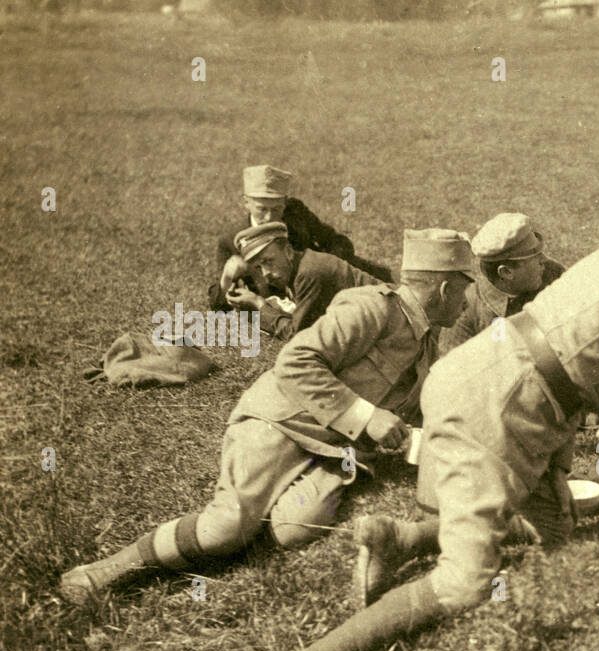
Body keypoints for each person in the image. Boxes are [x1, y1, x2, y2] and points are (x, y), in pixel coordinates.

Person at [247, 195, 599, 651]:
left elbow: (566, 358)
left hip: (499, 384)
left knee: (556, 529)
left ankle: (401, 539)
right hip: (492, 408)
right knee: (464, 584)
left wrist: (557, 469)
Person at [60, 229, 473, 604]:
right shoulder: (373, 309)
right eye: (464, 289)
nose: (466, 301)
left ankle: (258, 511)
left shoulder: (424, 335)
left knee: (297, 529)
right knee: (227, 528)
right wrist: (366, 417)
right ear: (442, 288)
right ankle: (101, 573)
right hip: (279, 420)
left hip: (329, 445)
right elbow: (295, 361)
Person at [207, 165, 392, 312]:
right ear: (246, 202)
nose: (270, 217)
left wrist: (326, 267)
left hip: (320, 282)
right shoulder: (231, 239)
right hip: (290, 301)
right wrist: (227, 278)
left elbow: (337, 241)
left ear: (285, 202)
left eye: (277, 209)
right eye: (262, 209)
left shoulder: (295, 213)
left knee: (388, 285)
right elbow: (217, 304)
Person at [224, 222, 380, 344]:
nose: (265, 274)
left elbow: (297, 336)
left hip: (390, 317)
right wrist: (249, 308)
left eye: (269, 261)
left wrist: (258, 304)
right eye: (258, 267)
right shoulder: (297, 266)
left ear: (288, 251)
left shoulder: (308, 273)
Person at [437, 212, 566, 357]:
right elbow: (455, 370)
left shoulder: (550, 273)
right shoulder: (463, 311)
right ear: (506, 273)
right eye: (534, 257)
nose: (544, 259)